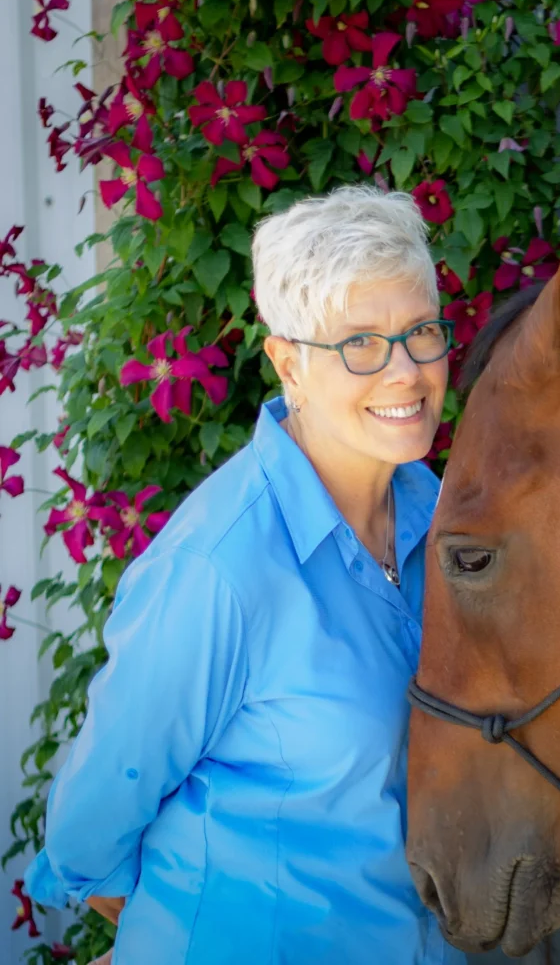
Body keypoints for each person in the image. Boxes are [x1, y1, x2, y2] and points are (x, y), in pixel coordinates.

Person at [24, 186, 465, 964]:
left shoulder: (447, 522)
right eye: (360, 342)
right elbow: (97, 814)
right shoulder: (219, 566)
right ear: (287, 363)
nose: (406, 372)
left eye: (420, 331)